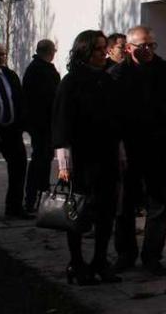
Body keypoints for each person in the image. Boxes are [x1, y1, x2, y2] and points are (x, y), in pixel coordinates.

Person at [109, 26, 166, 276]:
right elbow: (111, 118)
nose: (149, 49)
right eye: (143, 45)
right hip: (128, 152)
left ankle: (152, 257)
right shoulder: (117, 75)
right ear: (129, 48)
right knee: (124, 205)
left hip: (159, 149)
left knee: (157, 205)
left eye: (152, 44)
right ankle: (125, 254)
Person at [53, 30, 124, 285]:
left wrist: (120, 151)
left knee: (106, 212)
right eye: (97, 49)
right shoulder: (71, 82)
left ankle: (100, 261)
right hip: (81, 159)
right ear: (84, 51)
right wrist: (64, 163)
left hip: (106, 157)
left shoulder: (108, 80)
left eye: (105, 48)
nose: (103, 53)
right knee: (78, 212)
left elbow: (117, 122)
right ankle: (77, 262)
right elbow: (61, 124)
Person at [0, 42, 30, 220]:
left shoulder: (9, 75)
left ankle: (14, 206)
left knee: (19, 168)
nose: (1, 58)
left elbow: (20, 100)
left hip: (12, 132)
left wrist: (21, 124)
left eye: (3, 55)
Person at [22, 39, 61, 212]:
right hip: (42, 125)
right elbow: (48, 97)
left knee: (43, 161)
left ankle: (39, 197)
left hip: (42, 124)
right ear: (50, 51)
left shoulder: (37, 68)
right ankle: (34, 199)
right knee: (40, 162)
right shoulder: (40, 70)